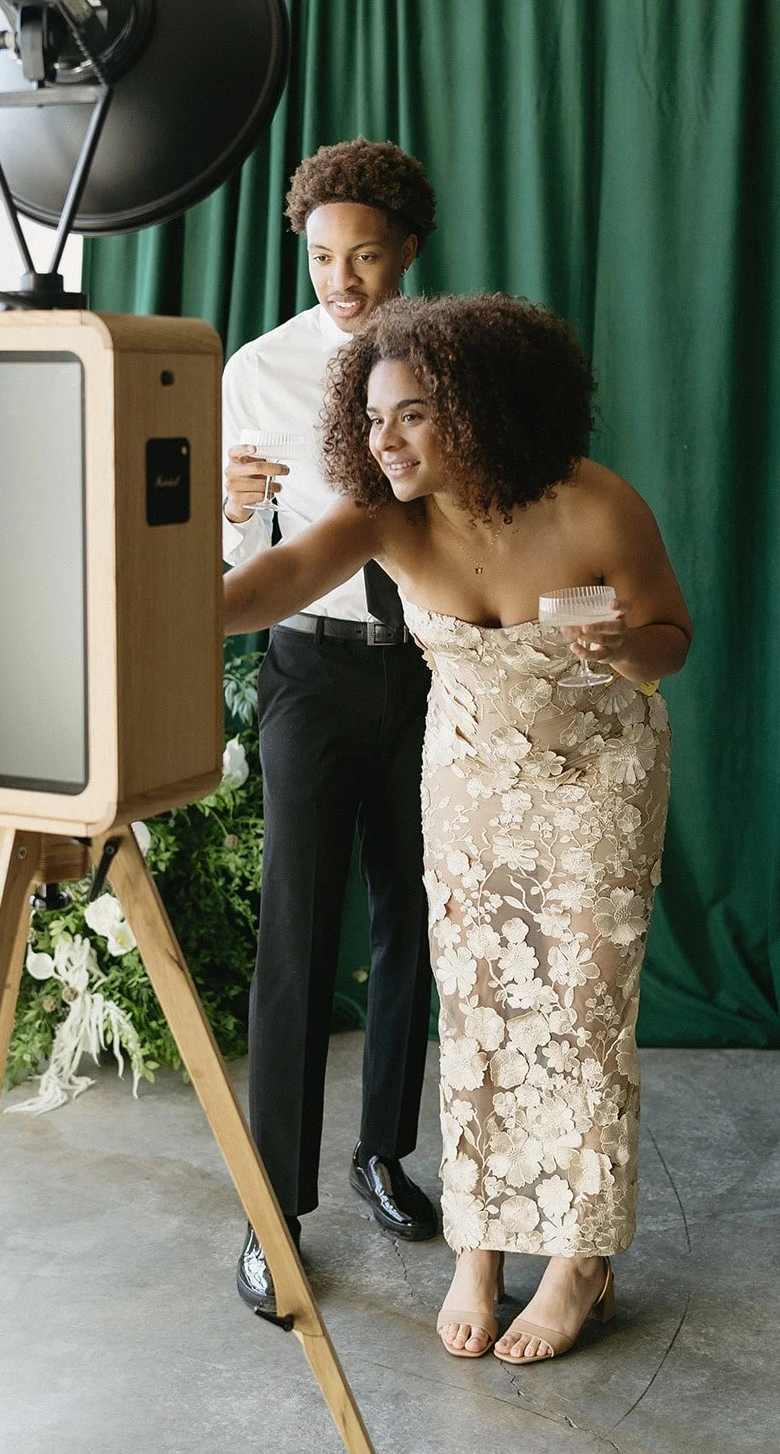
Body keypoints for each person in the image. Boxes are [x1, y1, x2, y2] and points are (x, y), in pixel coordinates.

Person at [224, 292, 692, 1362]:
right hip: (470, 782)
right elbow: (279, 579)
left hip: (595, 777)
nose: (383, 440)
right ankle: (478, 1247)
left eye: (413, 415)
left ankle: (579, 1258)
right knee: (477, 1008)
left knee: (579, 1010)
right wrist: (161, 601)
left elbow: (672, 636)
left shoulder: (593, 504)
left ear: (479, 409)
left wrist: (623, 647)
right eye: (373, 417)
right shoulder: (385, 513)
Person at [222, 140, 441, 1313]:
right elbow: (225, 562)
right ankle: (273, 1211)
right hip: (306, 667)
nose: (341, 279)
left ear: (406, 247)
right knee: (298, 934)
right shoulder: (256, 371)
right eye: (320, 257)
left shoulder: (454, 362)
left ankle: (381, 1154)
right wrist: (230, 508)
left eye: (361, 254)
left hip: (431, 669)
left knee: (414, 914)